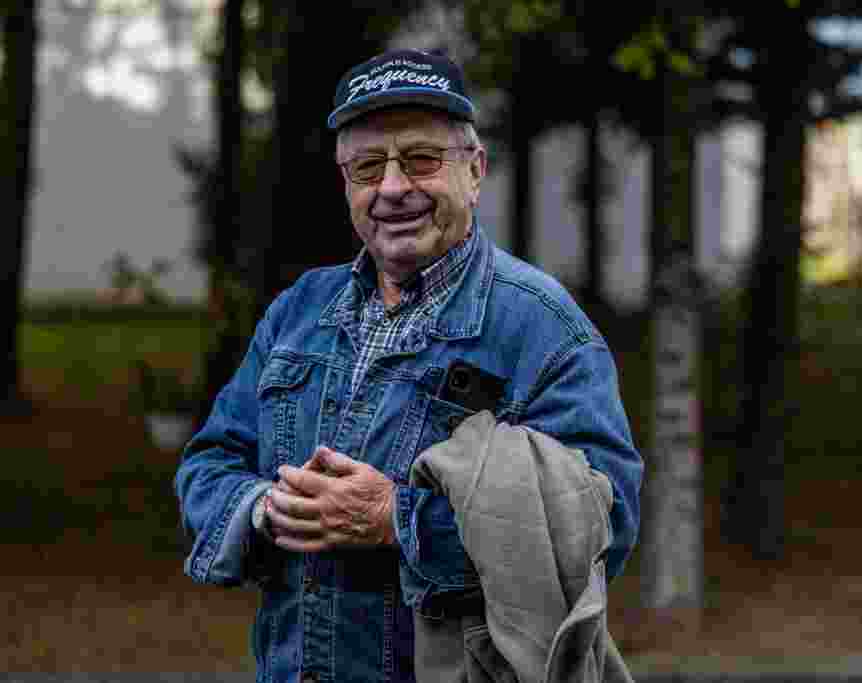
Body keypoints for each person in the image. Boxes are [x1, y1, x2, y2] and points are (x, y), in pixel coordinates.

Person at [174, 48, 643, 683]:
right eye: (368, 167)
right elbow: (208, 465)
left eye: (421, 159)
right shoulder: (299, 311)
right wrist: (265, 508)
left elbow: (601, 530)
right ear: (346, 184)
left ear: (474, 171)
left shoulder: (542, 328)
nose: (393, 188)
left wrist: (395, 518)